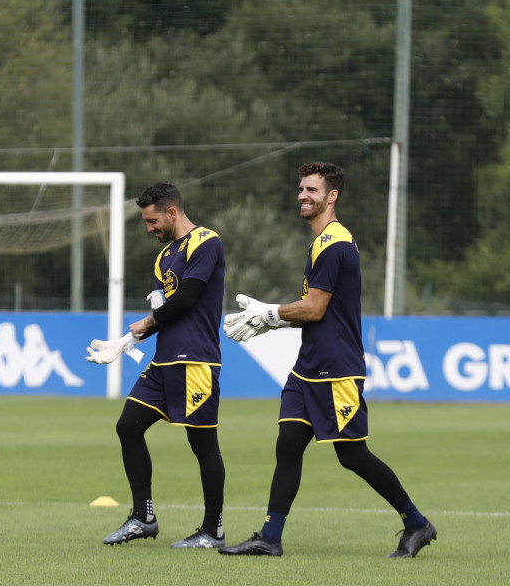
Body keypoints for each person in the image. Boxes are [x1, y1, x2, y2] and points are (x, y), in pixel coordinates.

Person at [218, 162, 436, 558]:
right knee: (288, 443)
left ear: (331, 196)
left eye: (312, 190)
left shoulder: (335, 244)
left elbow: (315, 309)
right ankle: (269, 538)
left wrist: (270, 315)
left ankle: (417, 523)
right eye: (301, 188)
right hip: (308, 367)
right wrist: (273, 322)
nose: (303, 195)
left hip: (337, 368)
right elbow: (318, 312)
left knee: (352, 455)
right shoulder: (321, 243)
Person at [87, 182, 227, 549]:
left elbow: (186, 299)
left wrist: (146, 324)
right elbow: (160, 314)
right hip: (164, 361)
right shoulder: (163, 258)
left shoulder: (206, 242)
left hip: (195, 361)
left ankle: (213, 531)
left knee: (203, 445)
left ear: (171, 212)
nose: (150, 229)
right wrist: (123, 343)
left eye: (152, 221)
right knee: (128, 427)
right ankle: (142, 517)